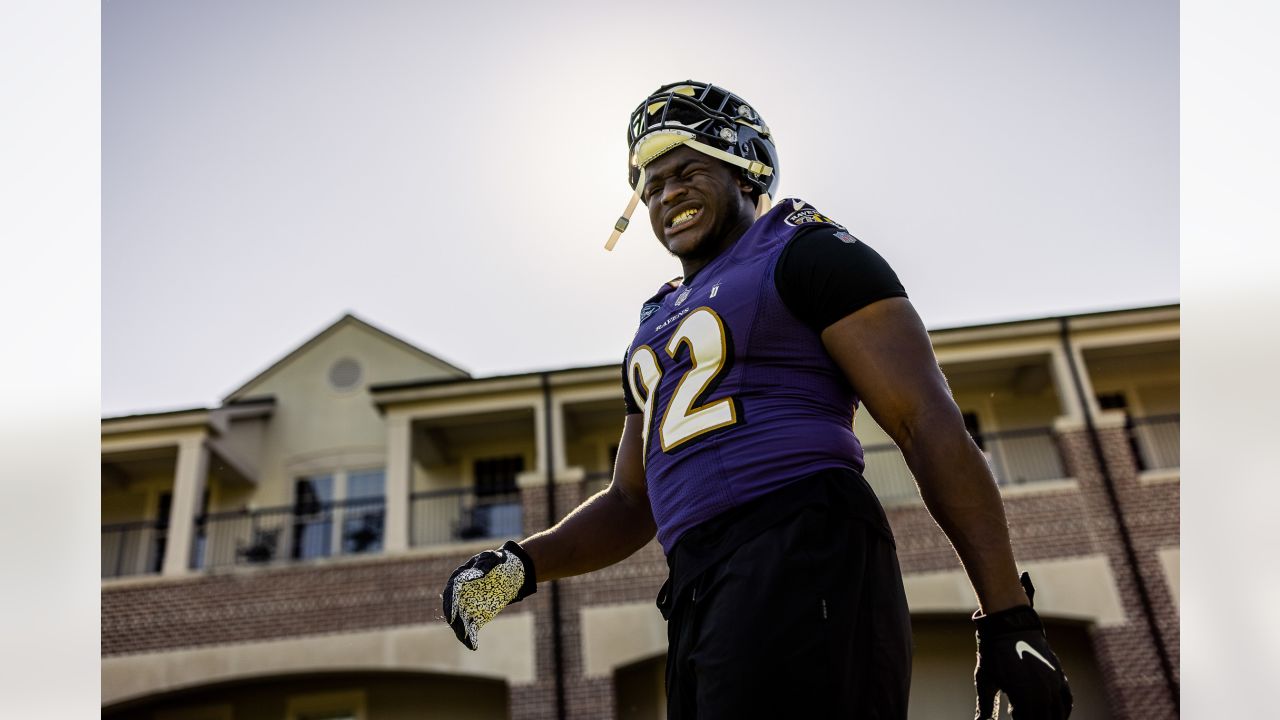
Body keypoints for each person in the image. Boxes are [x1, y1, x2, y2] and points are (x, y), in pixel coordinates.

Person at [442, 81, 1073, 719]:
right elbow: (633, 500)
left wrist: (1007, 616)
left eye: (688, 171)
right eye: (652, 185)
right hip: (696, 580)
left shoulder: (806, 249)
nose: (668, 195)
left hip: (801, 539)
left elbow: (923, 421)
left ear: (745, 168)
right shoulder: (655, 319)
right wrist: (519, 564)